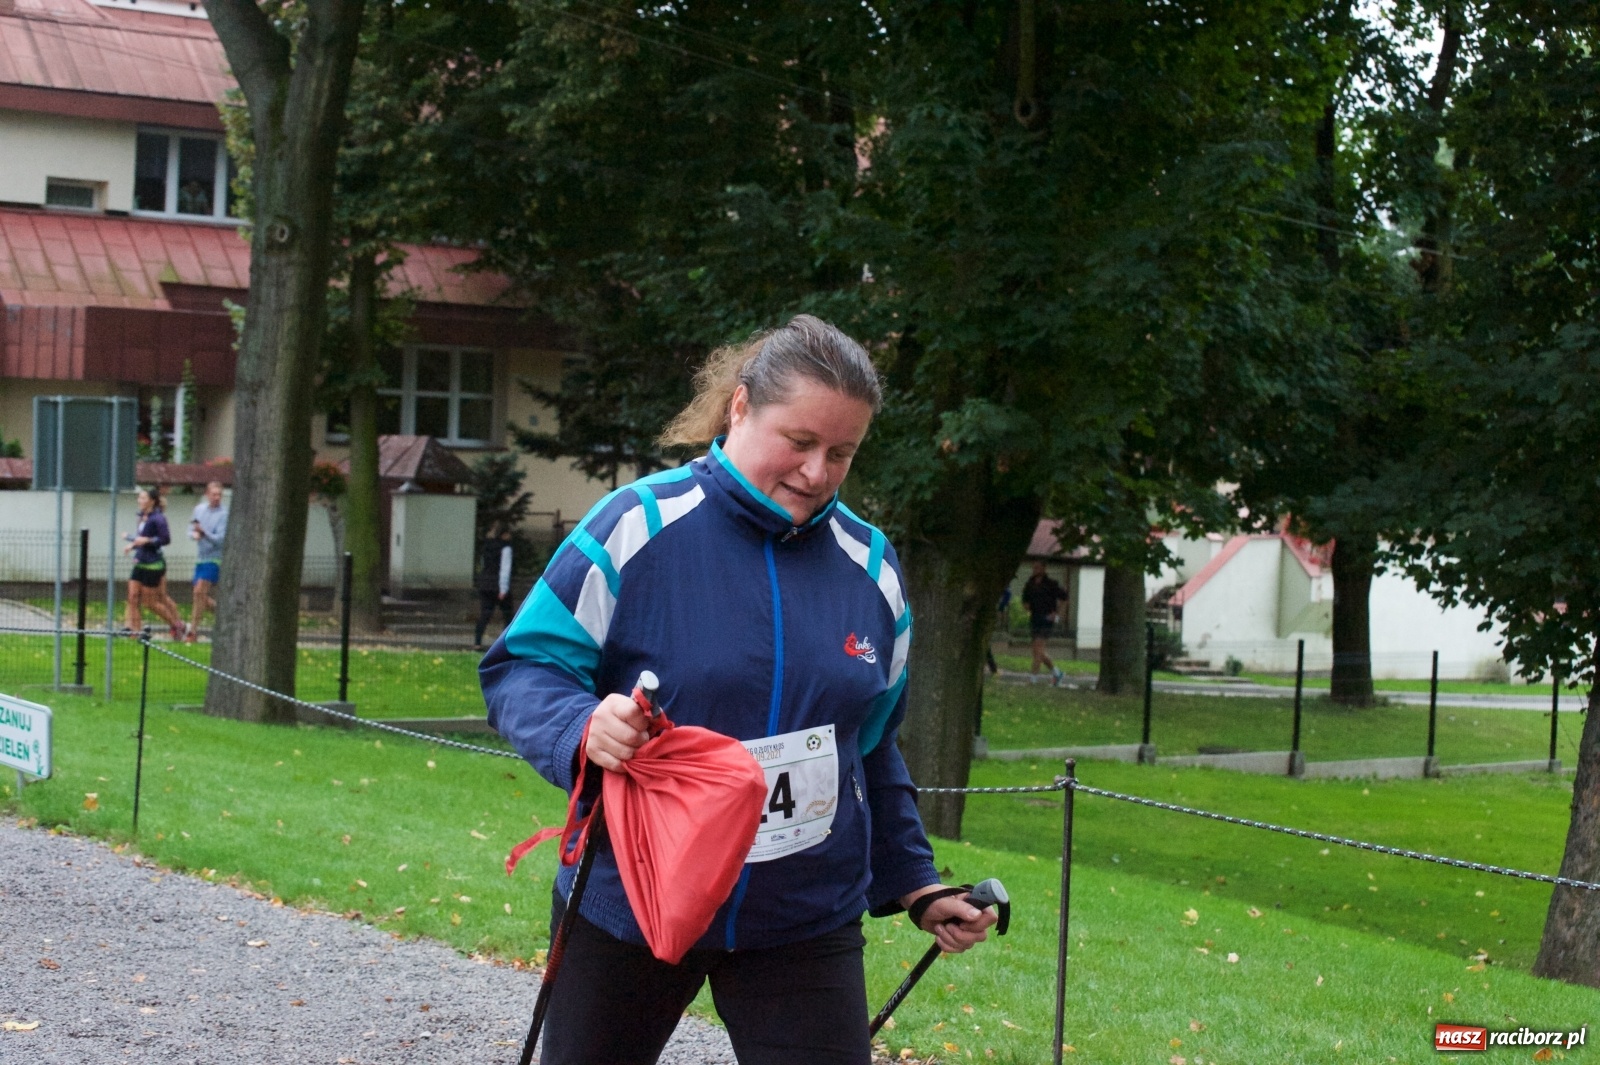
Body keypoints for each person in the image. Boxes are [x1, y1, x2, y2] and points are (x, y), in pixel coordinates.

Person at [481, 314, 997, 1065]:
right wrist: (582, 726)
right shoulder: (636, 526)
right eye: (799, 441)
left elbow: (871, 745)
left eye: (842, 452)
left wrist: (916, 883)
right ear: (741, 407)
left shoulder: (873, 569)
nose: (817, 471)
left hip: (803, 918)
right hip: (634, 900)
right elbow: (522, 667)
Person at [122, 486, 185, 640]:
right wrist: (132, 543)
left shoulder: (158, 518)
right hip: (140, 561)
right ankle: (134, 633)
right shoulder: (141, 516)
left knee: (151, 602)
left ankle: (176, 625)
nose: (140, 501)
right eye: (139, 498)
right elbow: (141, 538)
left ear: (152, 501)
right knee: (133, 597)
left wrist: (147, 540)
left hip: (153, 564)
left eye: (143, 498)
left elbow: (165, 539)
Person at [186, 480, 228, 642]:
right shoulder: (199, 509)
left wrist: (204, 533)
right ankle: (224, 615)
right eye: (214, 494)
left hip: (215, 558)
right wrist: (194, 535)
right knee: (199, 596)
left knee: (199, 592)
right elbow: (190, 529)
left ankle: (192, 632)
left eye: (219, 495)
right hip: (201, 558)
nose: (217, 498)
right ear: (207, 495)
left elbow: (220, 539)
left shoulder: (224, 514)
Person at [1021, 561, 1067, 685]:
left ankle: (1033, 680)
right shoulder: (1029, 584)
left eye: (1038, 567)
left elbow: (1064, 597)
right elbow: (1025, 601)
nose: (1035, 569)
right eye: (1033, 567)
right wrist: (1027, 606)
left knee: (1038, 649)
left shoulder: (1051, 584)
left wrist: (1056, 613)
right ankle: (1057, 673)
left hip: (1047, 619)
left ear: (1043, 568)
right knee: (1037, 651)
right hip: (1035, 618)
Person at [473, 525, 514, 651]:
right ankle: (506, 643)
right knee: (508, 615)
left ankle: (477, 642)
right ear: (504, 534)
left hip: (485, 584)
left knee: (485, 614)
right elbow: (504, 569)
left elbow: (482, 565)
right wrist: (503, 589)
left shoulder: (486, 547)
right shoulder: (506, 548)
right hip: (498, 586)